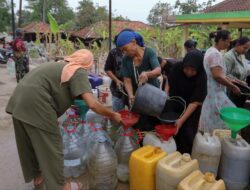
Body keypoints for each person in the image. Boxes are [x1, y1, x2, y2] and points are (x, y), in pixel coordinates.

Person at [5, 49, 121, 190]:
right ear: (87, 63)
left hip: (19, 98)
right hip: (37, 102)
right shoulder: (78, 70)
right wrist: (112, 114)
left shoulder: (60, 66)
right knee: (52, 145)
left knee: (28, 143)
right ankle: (60, 186)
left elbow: (55, 91)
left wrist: (50, 116)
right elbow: (92, 104)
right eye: (90, 65)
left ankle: (37, 177)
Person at [116, 30, 161, 131]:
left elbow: (158, 71)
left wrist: (147, 74)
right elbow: (127, 80)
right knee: (140, 125)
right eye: (122, 51)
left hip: (153, 96)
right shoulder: (126, 59)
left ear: (134, 43)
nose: (124, 53)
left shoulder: (149, 52)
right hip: (139, 99)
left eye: (125, 49)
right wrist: (131, 95)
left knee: (153, 123)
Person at [199, 30, 241, 134]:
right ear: (221, 40)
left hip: (211, 91)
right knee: (229, 117)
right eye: (227, 41)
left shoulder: (210, 51)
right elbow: (217, 76)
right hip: (215, 93)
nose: (228, 44)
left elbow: (220, 74)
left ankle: (212, 140)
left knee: (212, 120)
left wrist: (235, 81)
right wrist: (232, 86)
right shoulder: (215, 54)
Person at [168, 49, 207, 154]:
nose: (189, 72)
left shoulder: (202, 76)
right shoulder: (177, 67)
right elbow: (169, 82)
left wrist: (181, 121)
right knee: (172, 131)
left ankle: (184, 158)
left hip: (192, 109)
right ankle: (171, 154)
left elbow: (196, 101)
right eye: (187, 69)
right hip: (176, 105)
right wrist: (165, 97)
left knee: (187, 134)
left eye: (193, 70)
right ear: (183, 65)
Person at [104, 30, 132, 111]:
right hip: (117, 89)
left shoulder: (133, 52)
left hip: (132, 90)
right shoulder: (113, 53)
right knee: (118, 114)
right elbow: (107, 69)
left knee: (133, 114)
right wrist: (116, 80)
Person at [224, 36, 250, 107]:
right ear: (237, 45)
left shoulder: (242, 55)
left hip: (241, 89)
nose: (246, 50)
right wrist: (238, 82)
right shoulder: (228, 56)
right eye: (244, 48)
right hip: (231, 89)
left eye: (248, 48)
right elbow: (225, 74)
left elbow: (244, 69)